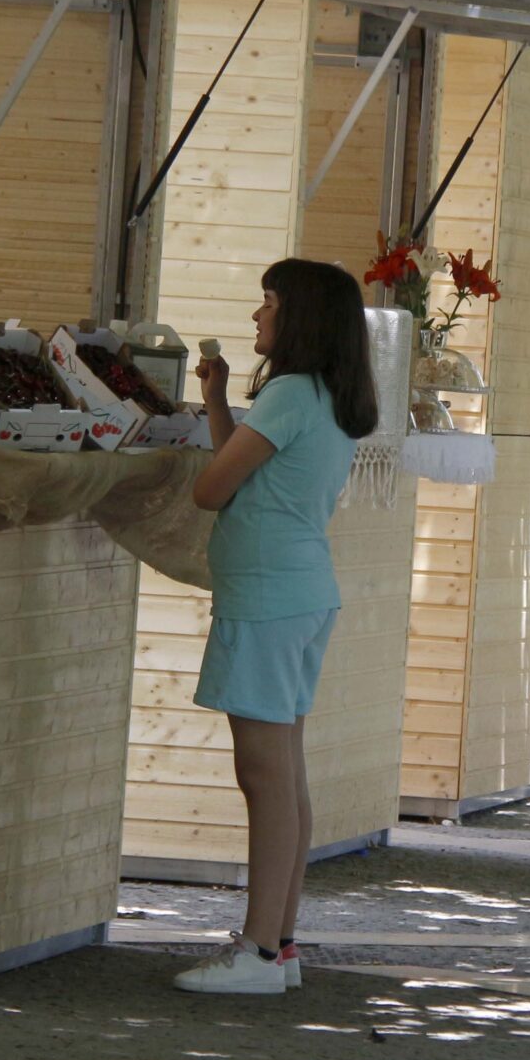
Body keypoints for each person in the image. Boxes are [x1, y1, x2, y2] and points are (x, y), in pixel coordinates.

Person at [176, 259, 378, 996]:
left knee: (264, 777)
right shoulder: (320, 394)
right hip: (299, 593)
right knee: (284, 772)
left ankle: (258, 950)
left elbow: (210, 488)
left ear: (300, 319)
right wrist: (218, 398)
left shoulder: (290, 393)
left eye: (268, 304)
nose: (258, 315)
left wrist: (221, 419)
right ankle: (280, 943)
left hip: (266, 599)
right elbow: (247, 466)